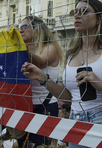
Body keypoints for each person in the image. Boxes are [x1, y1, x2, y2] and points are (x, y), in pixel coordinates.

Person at [22, 0, 102, 148]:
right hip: (76, 123)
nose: (77, 15)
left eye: (84, 11)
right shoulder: (71, 54)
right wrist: (42, 78)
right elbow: (69, 98)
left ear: (99, 18)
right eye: (74, 12)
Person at [14, 15, 63, 148]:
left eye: (25, 27)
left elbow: (39, 62)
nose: (21, 31)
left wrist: (17, 45)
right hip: (24, 106)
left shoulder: (50, 48)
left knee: (41, 145)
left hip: (44, 107)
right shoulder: (24, 49)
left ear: (38, 29)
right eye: (19, 28)